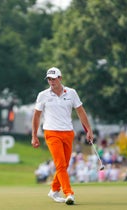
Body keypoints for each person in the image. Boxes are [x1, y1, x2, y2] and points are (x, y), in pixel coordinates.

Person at [31, 67, 93, 205]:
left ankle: (53, 190)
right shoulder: (43, 95)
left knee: (64, 164)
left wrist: (89, 129)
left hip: (68, 132)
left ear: (60, 78)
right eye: (49, 79)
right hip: (51, 133)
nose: (51, 81)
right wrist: (34, 135)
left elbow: (80, 112)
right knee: (60, 164)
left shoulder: (71, 93)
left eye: (53, 79)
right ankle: (69, 193)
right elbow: (36, 116)